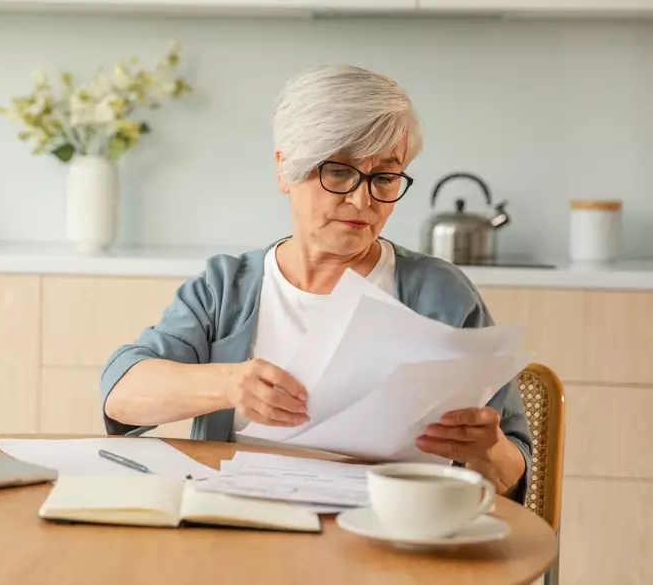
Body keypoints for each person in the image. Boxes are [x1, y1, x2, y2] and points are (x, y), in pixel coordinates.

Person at [99, 65, 531, 501]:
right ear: (285, 170)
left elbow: (512, 474)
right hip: (245, 528)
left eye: (383, 177)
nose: (362, 200)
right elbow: (122, 395)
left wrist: (486, 449)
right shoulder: (226, 288)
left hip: (391, 540)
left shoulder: (440, 294)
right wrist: (229, 384)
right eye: (339, 172)